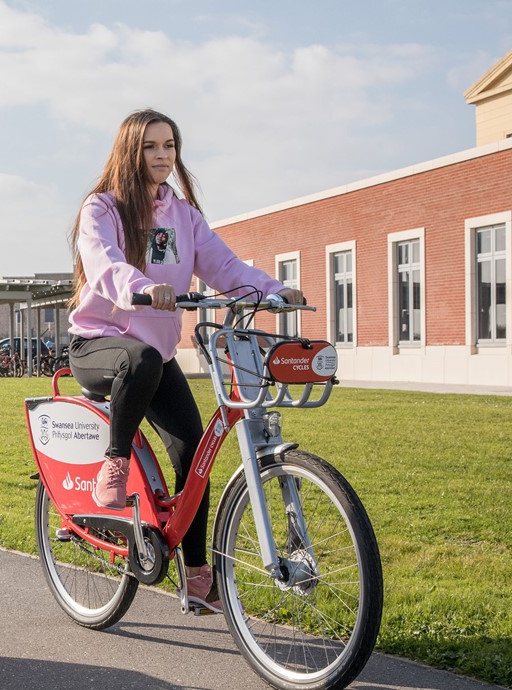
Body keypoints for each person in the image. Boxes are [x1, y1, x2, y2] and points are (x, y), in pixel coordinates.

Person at [65, 108, 304, 613]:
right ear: (131, 150)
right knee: (144, 358)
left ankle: (197, 575)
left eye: (169, 146)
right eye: (152, 146)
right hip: (99, 344)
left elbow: (224, 265)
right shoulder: (102, 209)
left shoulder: (182, 214)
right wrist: (143, 289)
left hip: (156, 356)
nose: (162, 156)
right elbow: (104, 265)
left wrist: (274, 290)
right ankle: (115, 460)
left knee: (194, 456)